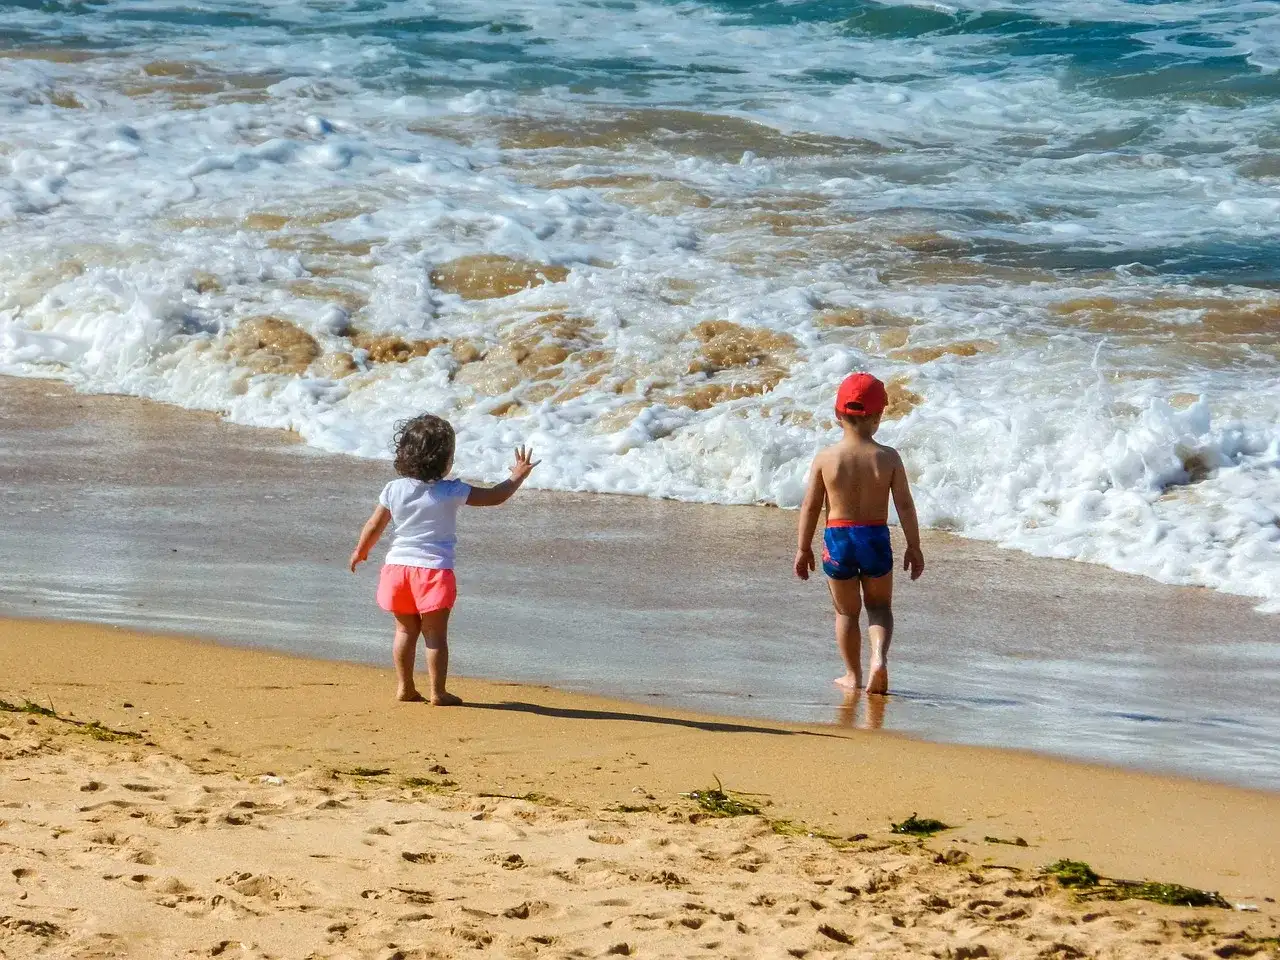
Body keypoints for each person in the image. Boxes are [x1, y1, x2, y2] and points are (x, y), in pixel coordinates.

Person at [350, 413, 538, 704]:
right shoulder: (451, 491)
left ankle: (405, 687)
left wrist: (361, 550)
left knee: (404, 630)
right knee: (435, 636)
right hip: (433, 572)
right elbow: (494, 497)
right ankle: (438, 692)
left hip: (396, 570)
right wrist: (516, 477)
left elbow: (374, 524)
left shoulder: (393, 489)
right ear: (445, 460)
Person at [794, 373, 924, 695]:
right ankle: (878, 657)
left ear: (838, 415)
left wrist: (803, 548)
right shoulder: (888, 458)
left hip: (838, 539)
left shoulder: (826, 459)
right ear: (879, 417)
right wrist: (914, 546)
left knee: (847, 612)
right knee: (879, 608)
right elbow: (905, 506)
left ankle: (853, 675)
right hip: (875, 538)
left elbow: (810, 507)